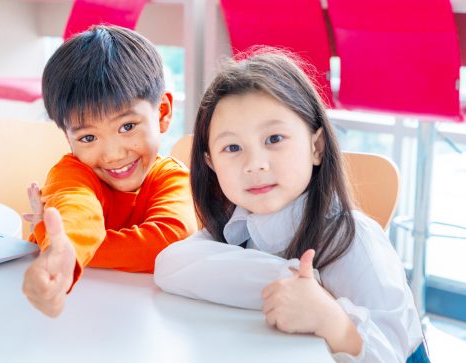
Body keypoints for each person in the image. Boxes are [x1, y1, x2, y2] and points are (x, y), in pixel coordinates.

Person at [153, 49, 428, 363]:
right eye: (232, 148)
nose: (254, 164)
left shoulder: (354, 239)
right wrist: (287, 278)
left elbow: (390, 353)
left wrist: (331, 319)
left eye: (274, 139)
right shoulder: (238, 224)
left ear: (316, 147)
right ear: (211, 164)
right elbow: (170, 266)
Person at [21, 25, 198, 318]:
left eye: (127, 127)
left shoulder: (170, 178)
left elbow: (168, 243)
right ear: (68, 138)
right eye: (88, 138)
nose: (114, 154)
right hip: (75, 319)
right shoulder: (71, 174)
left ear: (163, 112)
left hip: (147, 323)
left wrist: (50, 238)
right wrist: (62, 246)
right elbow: (77, 212)